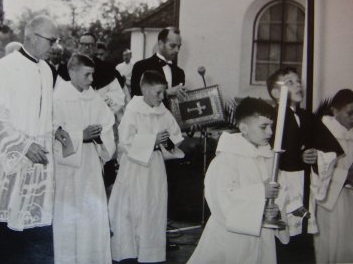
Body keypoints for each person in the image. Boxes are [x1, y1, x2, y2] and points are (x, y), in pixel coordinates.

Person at [0, 15, 63, 263]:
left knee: (31, 236)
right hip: (9, 166)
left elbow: (44, 113)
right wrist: (22, 145)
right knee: (4, 239)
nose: (54, 45)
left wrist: (56, 130)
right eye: (50, 39)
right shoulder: (5, 67)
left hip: (36, 168)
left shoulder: (47, 71)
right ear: (32, 37)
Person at [188, 97, 290, 264]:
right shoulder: (226, 159)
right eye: (264, 127)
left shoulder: (268, 157)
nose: (271, 132)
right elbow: (221, 199)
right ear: (244, 128)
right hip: (231, 237)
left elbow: (280, 192)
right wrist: (260, 192)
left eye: (271, 126)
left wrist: (274, 210)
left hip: (261, 235)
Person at [266, 67, 344, 264]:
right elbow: (268, 153)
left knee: (303, 234)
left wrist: (316, 156)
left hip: (304, 184)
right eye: (290, 82)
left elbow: (329, 150)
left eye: (299, 81)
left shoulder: (308, 117)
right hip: (282, 183)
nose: (299, 84)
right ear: (276, 93)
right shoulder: (269, 118)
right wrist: (297, 155)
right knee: (283, 236)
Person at [109, 70, 185, 263]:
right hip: (134, 168)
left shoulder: (162, 111)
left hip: (155, 168)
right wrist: (152, 140)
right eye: (157, 92)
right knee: (133, 209)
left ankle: (150, 253)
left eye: (163, 93)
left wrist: (164, 142)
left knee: (153, 207)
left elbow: (175, 136)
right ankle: (128, 252)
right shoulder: (133, 110)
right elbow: (125, 142)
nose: (161, 97)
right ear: (144, 89)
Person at [52, 53, 116, 263]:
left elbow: (107, 123)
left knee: (92, 215)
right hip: (68, 169)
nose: (91, 80)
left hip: (90, 165)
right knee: (70, 218)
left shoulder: (93, 97)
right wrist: (81, 136)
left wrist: (98, 136)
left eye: (92, 75)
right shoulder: (58, 98)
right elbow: (54, 132)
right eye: (87, 75)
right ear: (72, 72)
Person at [314, 89, 353, 263]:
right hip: (330, 197)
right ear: (334, 110)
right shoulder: (321, 132)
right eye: (350, 113)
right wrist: (346, 176)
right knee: (332, 241)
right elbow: (318, 167)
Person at [130, 27, 187, 102]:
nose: (177, 50)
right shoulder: (141, 66)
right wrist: (167, 92)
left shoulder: (180, 72)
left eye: (179, 46)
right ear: (160, 44)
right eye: (172, 46)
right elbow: (136, 97)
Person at [78, 32, 125, 115]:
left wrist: (98, 104)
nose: (86, 48)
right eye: (83, 44)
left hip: (100, 117)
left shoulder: (107, 69)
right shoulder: (69, 68)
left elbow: (118, 97)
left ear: (95, 47)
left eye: (90, 45)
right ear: (79, 46)